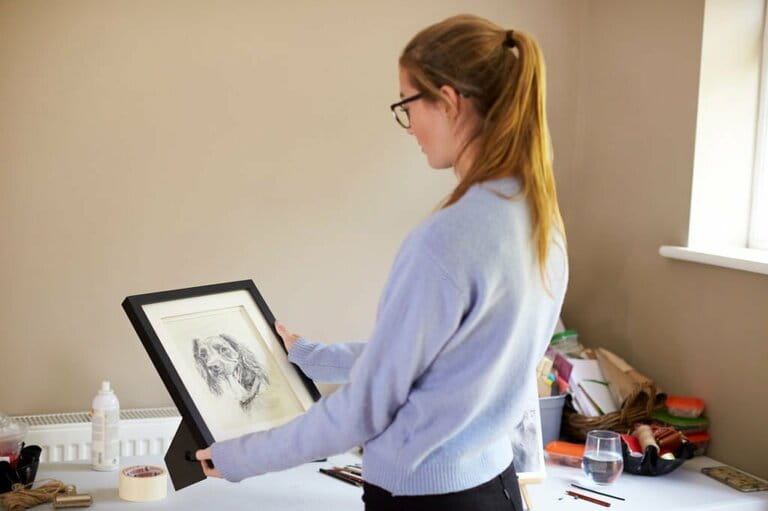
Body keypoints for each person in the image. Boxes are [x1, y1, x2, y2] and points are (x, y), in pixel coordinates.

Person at [196, 14, 568, 511]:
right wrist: (311, 354)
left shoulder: (445, 240)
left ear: (449, 102)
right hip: (497, 487)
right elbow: (440, 357)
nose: (407, 124)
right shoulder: (539, 217)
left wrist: (238, 458)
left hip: (427, 501)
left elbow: (361, 411)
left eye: (407, 104)